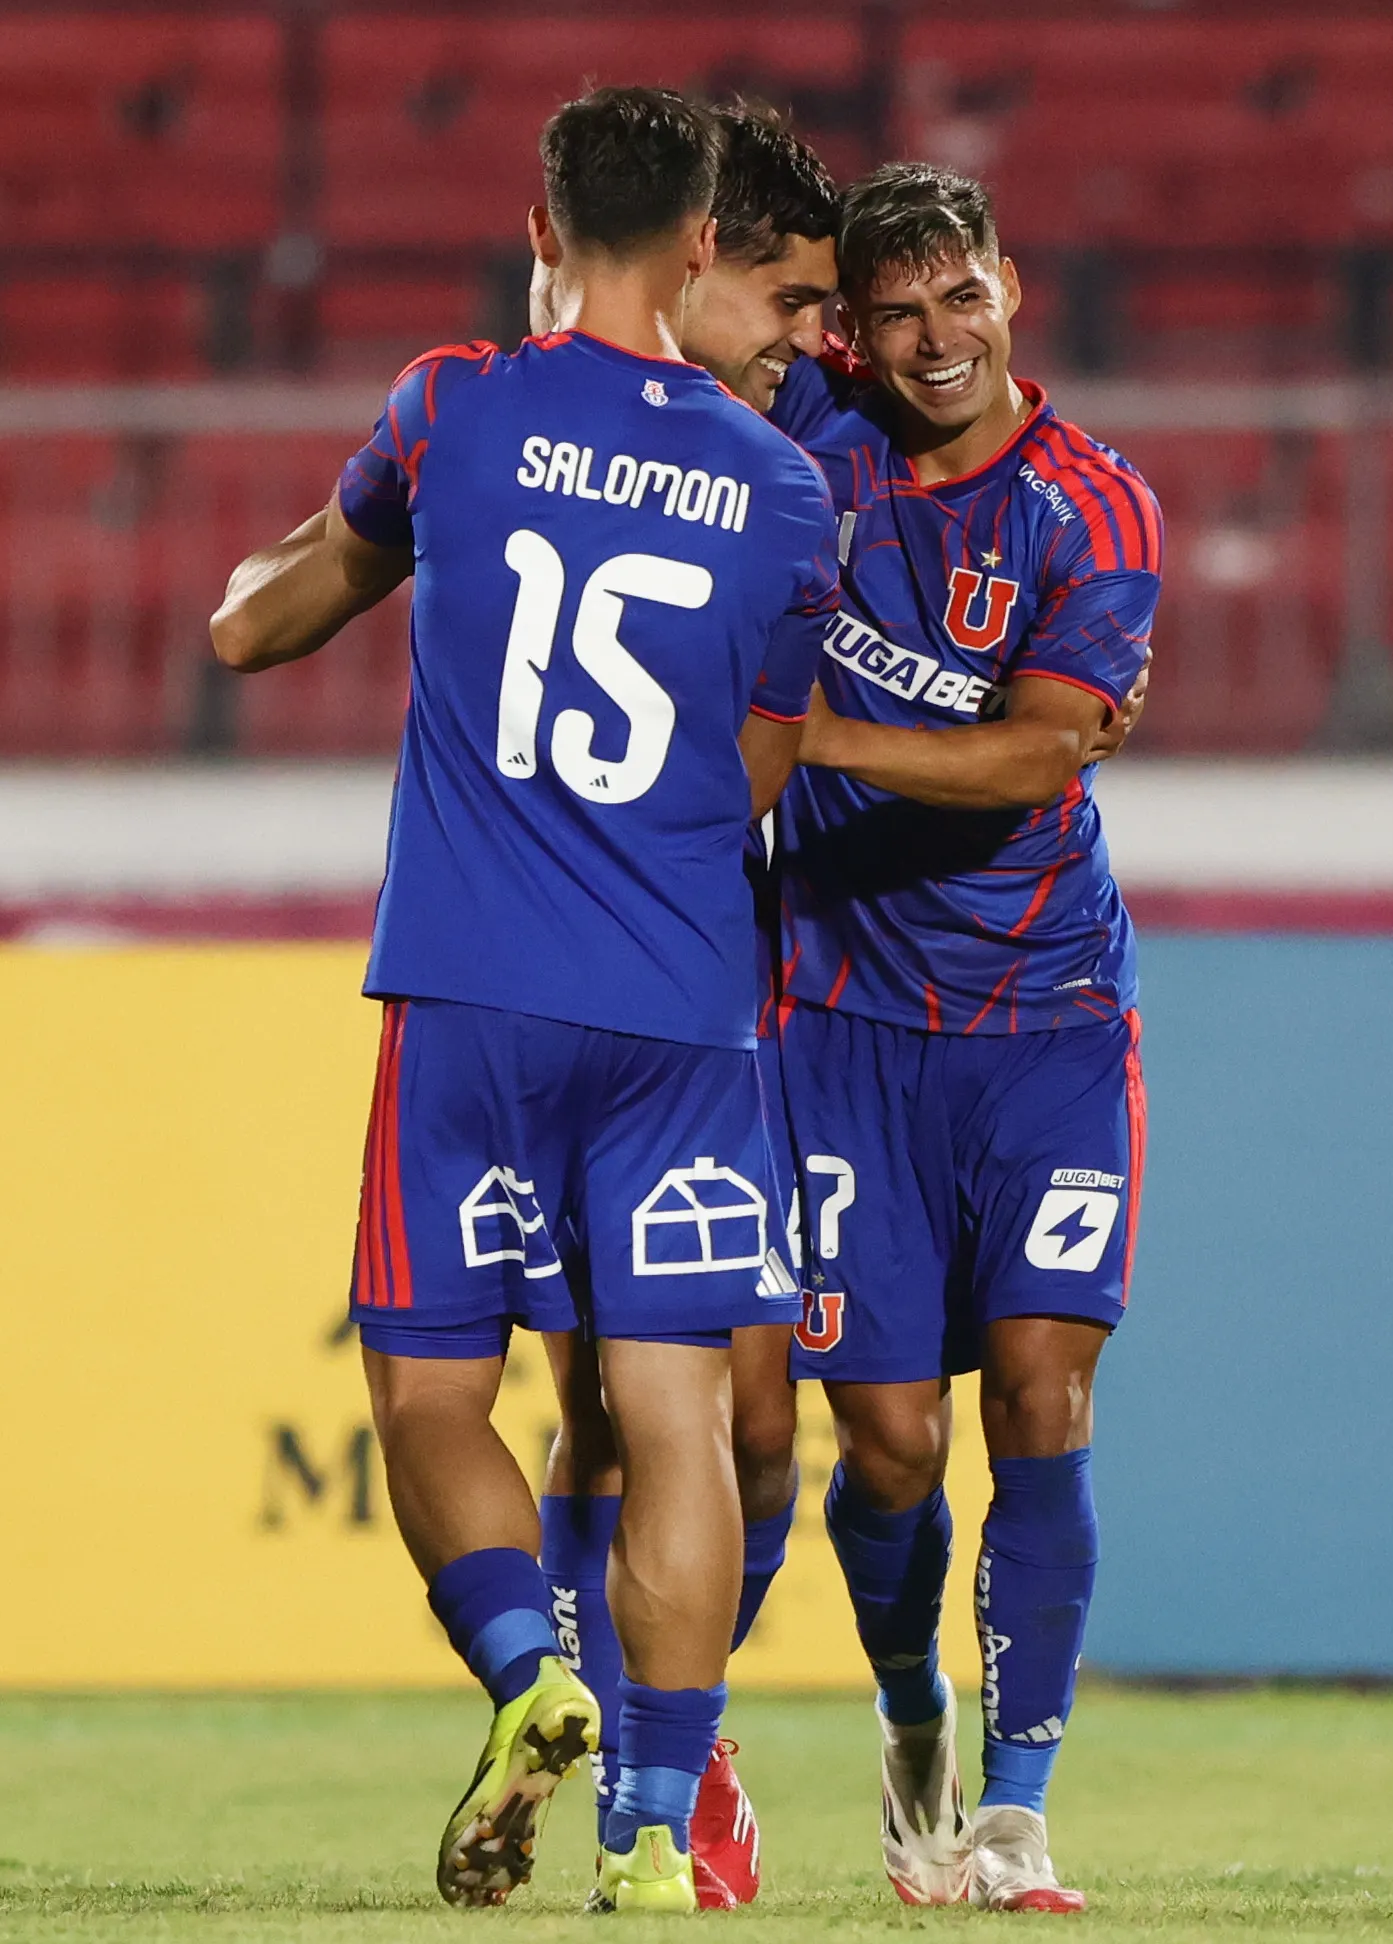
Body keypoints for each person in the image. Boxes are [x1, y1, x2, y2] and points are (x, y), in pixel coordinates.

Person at [208, 85, 839, 1916]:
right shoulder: (785, 487)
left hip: (467, 997)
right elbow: (764, 770)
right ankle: (653, 1826)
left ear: (544, 221)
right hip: (679, 1008)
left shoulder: (454, 404)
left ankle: (526, 1674)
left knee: (431, 1402)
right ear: (708, 242)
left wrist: (262, 593)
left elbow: (266, 620)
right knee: (674, 1421)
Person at [773, 161, 1161, 1915]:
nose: (938, 340)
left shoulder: (1090, 508)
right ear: (854, 325)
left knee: (1037, 1395)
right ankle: (912, 1703)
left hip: (1049, 1016)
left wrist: (808, 740)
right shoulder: (805, 432)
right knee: (890, 1445)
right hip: (841, 1014)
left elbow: (1036, 752)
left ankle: (1016, 1810)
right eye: (899, 311)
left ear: (1016, 283)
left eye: (965, 298)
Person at [533, 96, 843, 1913]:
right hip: (663, 977)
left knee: (764, 1419)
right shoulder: (604, 410)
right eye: (791, 302)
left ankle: (679, 1705)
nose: (809, 343)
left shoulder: (819, 440)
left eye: (830, 313)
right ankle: (655, 1758)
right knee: (623, 1397)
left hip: (818, 982)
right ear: (705, 255)